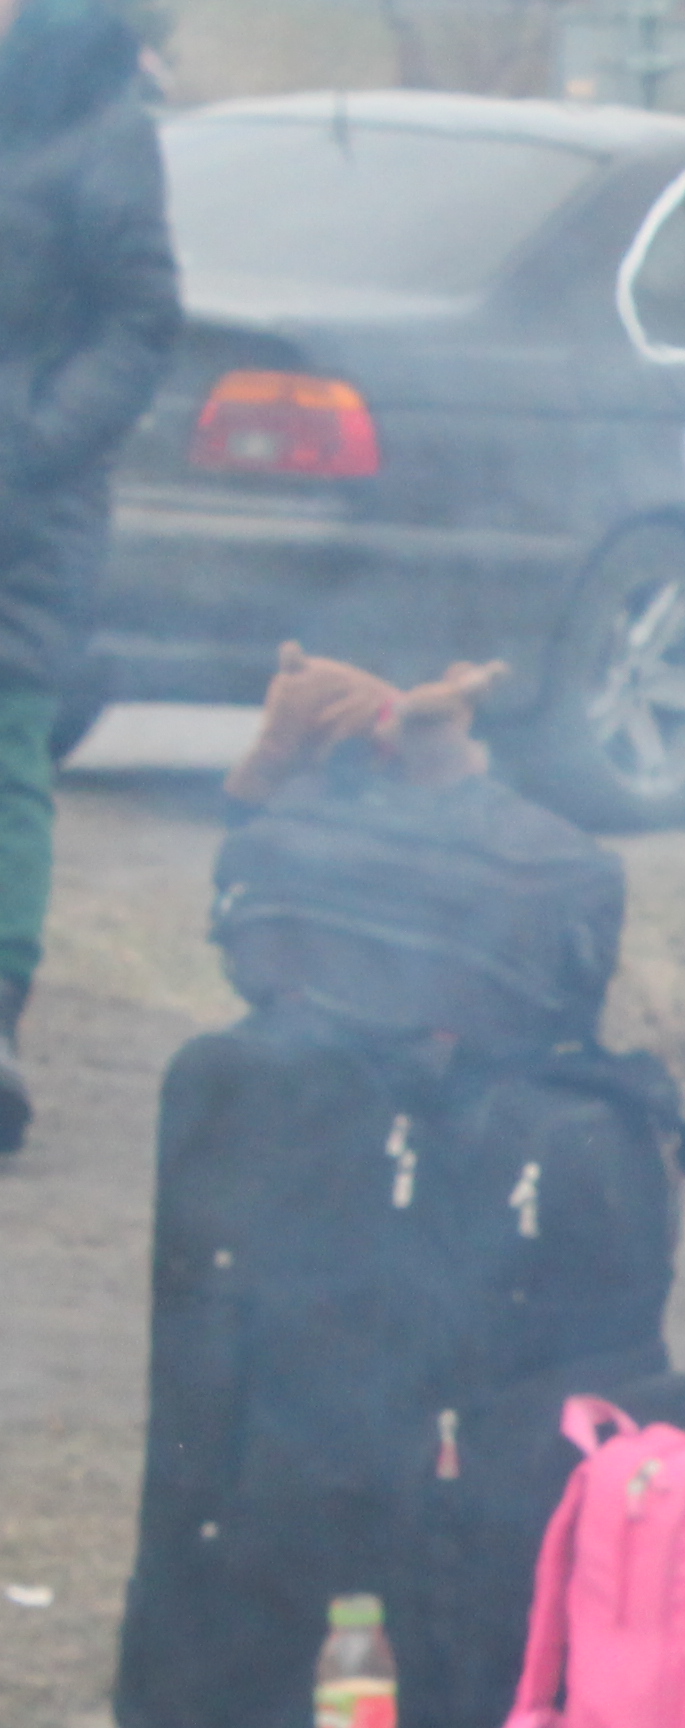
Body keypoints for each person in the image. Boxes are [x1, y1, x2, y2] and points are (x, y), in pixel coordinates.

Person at [0, 0, 179, 1158]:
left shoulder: (108, 128)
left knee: (7, 753)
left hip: (25, 512)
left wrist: (30, 448)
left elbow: (142, 318)